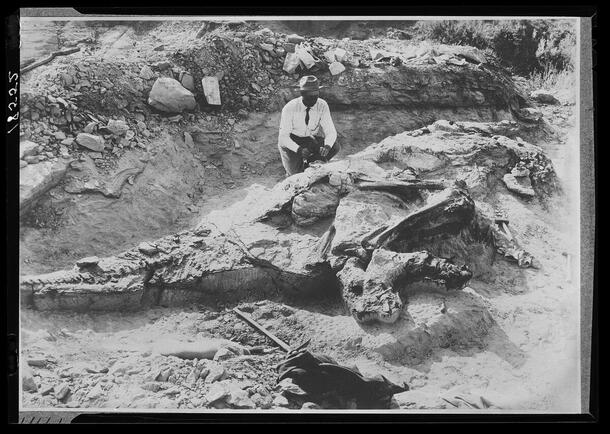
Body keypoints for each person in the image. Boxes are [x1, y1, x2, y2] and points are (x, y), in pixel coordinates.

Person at [277, 75, 341, 176]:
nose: (313, 100)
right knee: (295, 175)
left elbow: (330, 131)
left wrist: (327, 146)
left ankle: (310, 164)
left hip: (308, 139)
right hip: (291, 141)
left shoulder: (322, 105)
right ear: (302, 93)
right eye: (309, 97)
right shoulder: (290, 108)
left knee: (334, 146)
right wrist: (298, 150)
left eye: (316, 95)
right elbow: (283, 137)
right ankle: (294, 166)